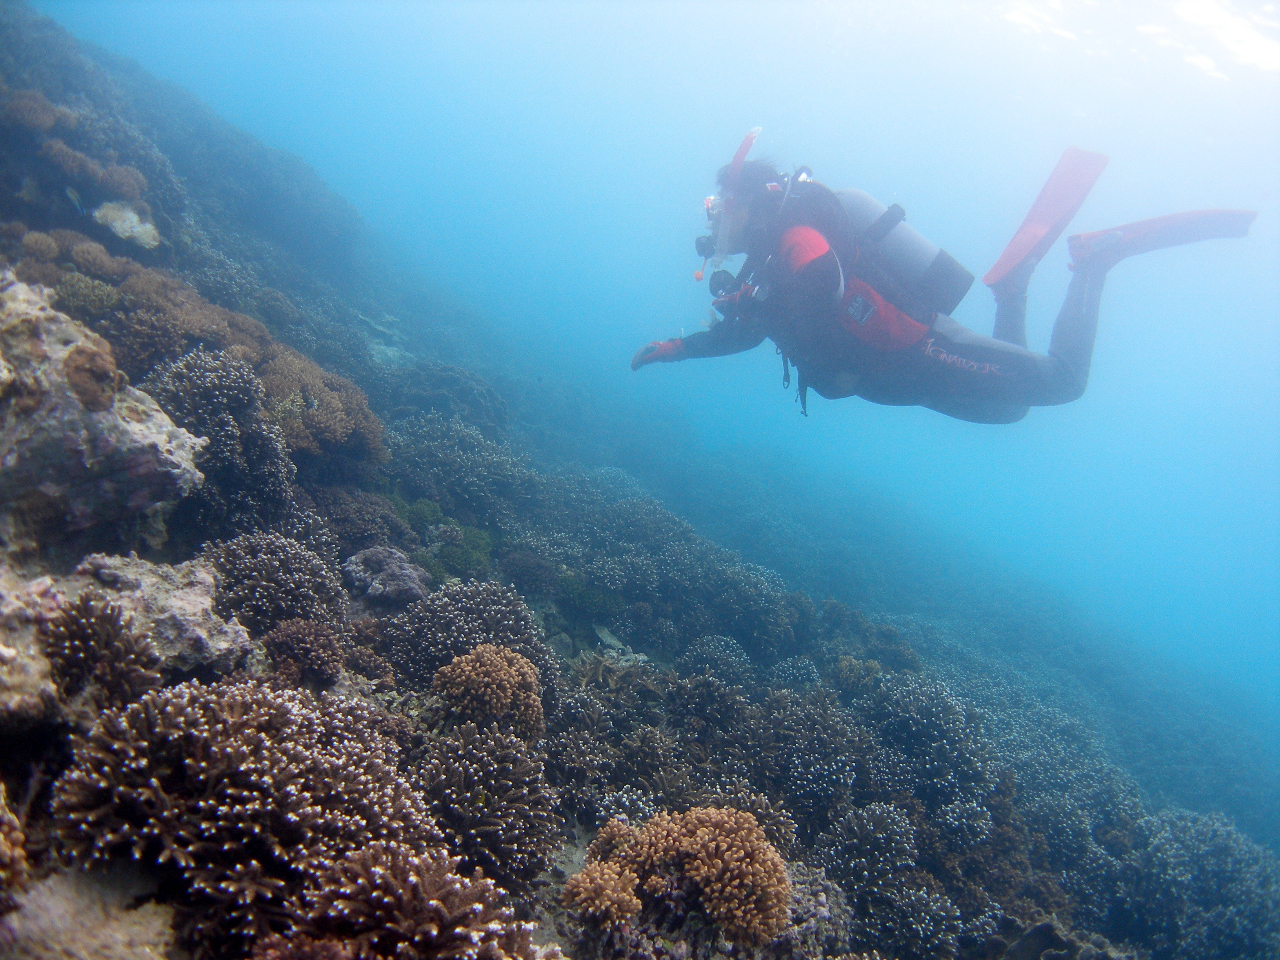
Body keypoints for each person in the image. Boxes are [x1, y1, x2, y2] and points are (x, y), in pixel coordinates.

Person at [631, 131, 1256, 423]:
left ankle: (1096, 261)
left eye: (720, 206)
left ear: (751, 201)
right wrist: (680, 347)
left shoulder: (795, 237)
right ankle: (1012, 289)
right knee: (1013, 415)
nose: (715, 220)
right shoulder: (767, 261)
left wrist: (762, 301)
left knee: (1061, 385)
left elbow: (819, 284)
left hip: (924, 353)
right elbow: (756, 330)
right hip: (905, 378)